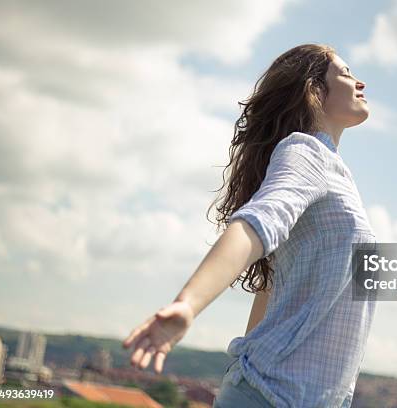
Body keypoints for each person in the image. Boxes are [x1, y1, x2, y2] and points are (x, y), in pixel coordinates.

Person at [122, 43, 376, 408]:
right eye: (346, 73)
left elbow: (272, 286)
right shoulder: (307, 153)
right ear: (313, 90)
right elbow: (258, 223)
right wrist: (188, 305)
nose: (360, 82)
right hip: (270, 398)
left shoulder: (337, 176)